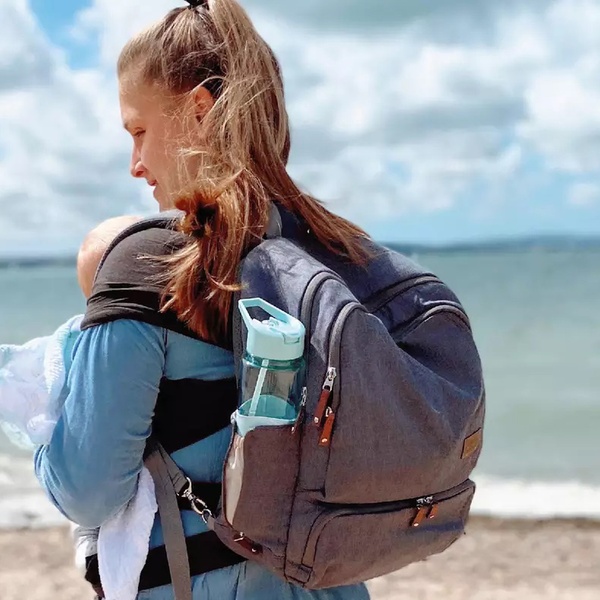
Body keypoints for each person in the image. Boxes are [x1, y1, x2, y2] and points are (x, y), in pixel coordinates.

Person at [34, 1, 372, 598]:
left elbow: (89, 490)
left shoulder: (149, 265)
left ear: (198, 109)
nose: (135, 165)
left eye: (139, 132)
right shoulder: (333, 250)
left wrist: (44, 433)